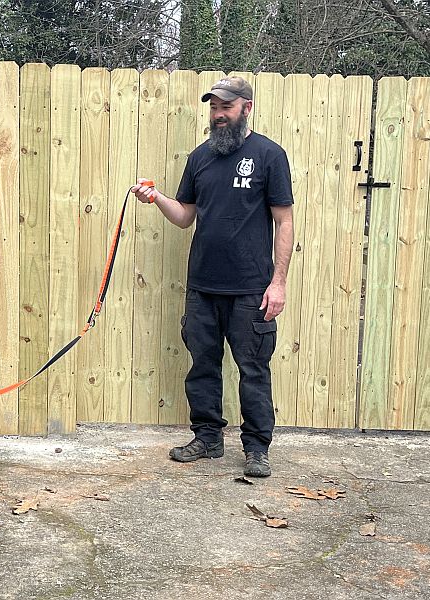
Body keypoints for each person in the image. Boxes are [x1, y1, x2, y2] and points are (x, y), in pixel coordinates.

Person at [132, 76, 294, 477]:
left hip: (251, 289)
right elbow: (186, 217)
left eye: (226, 107)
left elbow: (284, 221)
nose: (218, 115)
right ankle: (207, 438)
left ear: (246, 107)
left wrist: (279, 282)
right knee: (202, 365)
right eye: (214, 108)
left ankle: (257, 448)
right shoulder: (200, 158)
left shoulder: (270, 155)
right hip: (203, 286)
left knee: (253, 369)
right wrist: (156, 199)